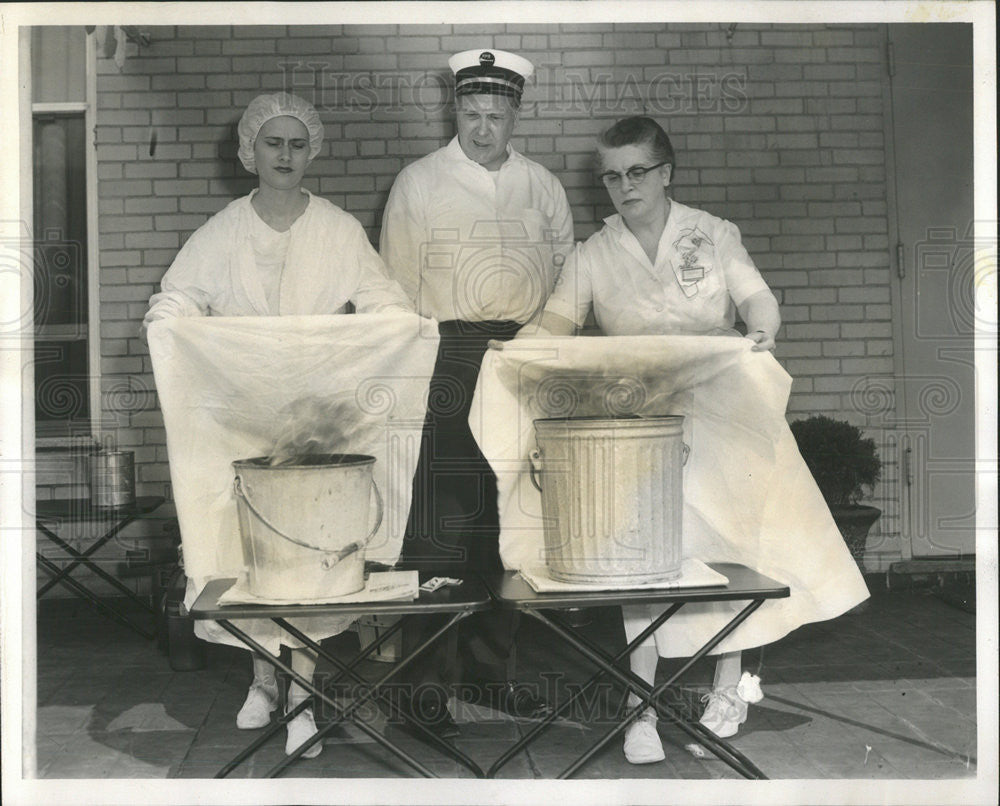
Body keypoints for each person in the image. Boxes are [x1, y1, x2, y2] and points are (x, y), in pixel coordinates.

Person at [144, 92, 413, 759]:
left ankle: (300, 695)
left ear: (311, 150)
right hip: (243, 413)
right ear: (251, 152)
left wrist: (390, 332)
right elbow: (175, 297)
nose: (285, 155)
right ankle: (262, 677)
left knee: (307, 551)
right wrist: (169, 327)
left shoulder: (338, 230)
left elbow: (385, 301)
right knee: (249, 552)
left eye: (297, 144)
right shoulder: (222, 231)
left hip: (319, 421)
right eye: (273, 143)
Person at [522, 116, 786, 764]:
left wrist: (759, 328)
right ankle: (641, 707)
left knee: (728, 551)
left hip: (720, 411)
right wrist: (518, 349)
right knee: (642, 556)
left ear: (665, 172)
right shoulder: (592, 254)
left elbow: (760, 302)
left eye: (636, 171)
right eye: (611, 176)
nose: (622, 186)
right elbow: (555, 320)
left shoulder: (714, 235)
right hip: (639, 425)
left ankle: (727, 690)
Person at [379, 49, 574, 737]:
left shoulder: (542, 187)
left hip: (521, 355)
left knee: (508, 519)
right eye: (471, 113)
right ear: (453, 109)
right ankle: (423, 690)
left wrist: (539, 354)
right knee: (442, 524)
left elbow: (562, 282)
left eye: (496, 115)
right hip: (447, 356)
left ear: (516, 113)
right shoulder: (419, 182)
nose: (483, 127)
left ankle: (492, 676)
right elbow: (395, 292)